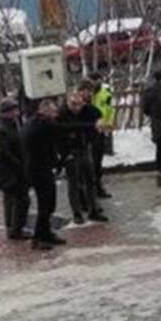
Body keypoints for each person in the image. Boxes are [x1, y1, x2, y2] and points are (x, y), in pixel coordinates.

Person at [57, 90, 108, 224]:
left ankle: (93, 210)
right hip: (71, 152)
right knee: (74, 184)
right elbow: (67, 129)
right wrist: (64, 155)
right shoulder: (62, 114)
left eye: (80, 104)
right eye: (74, 105)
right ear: (68, 103)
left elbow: (98, 114)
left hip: (85, 148)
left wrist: (99, 121)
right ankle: (77, 213)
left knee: (90, 181)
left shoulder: (86, 110)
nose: (77, 108)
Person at [22, 99, 67, 250]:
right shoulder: (41, 124)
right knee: (45, 204)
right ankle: (38, 238)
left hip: (42, 168)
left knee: (49, 202)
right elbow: (64, 127)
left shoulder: (37, 122)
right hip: (38, 170)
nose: (56, 114)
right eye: (53, 111)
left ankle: (46, 233)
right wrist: (92, 125)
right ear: (45, 111)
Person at [0, 97, 31, 240]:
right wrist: (20, 165)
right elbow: (3, 153)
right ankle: (16, 228)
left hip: (11, 170)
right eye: (15, 110)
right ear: (8, 112)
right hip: (9, 172)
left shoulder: (10, 124)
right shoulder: (0, 130)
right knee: (21, 199)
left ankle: (12, 227)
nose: (18, 112)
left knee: (11, 199)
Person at [87, 74, 114, 199]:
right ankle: (91, 189)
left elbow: (110, 109)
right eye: (94, 80)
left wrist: (109, 124)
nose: (96, 83)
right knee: (91, 163)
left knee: (98, 162)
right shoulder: (86, 94)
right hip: (89, 131)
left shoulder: (105, 92)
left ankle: (98, 187)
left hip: (101, 130)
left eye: (98, 80)